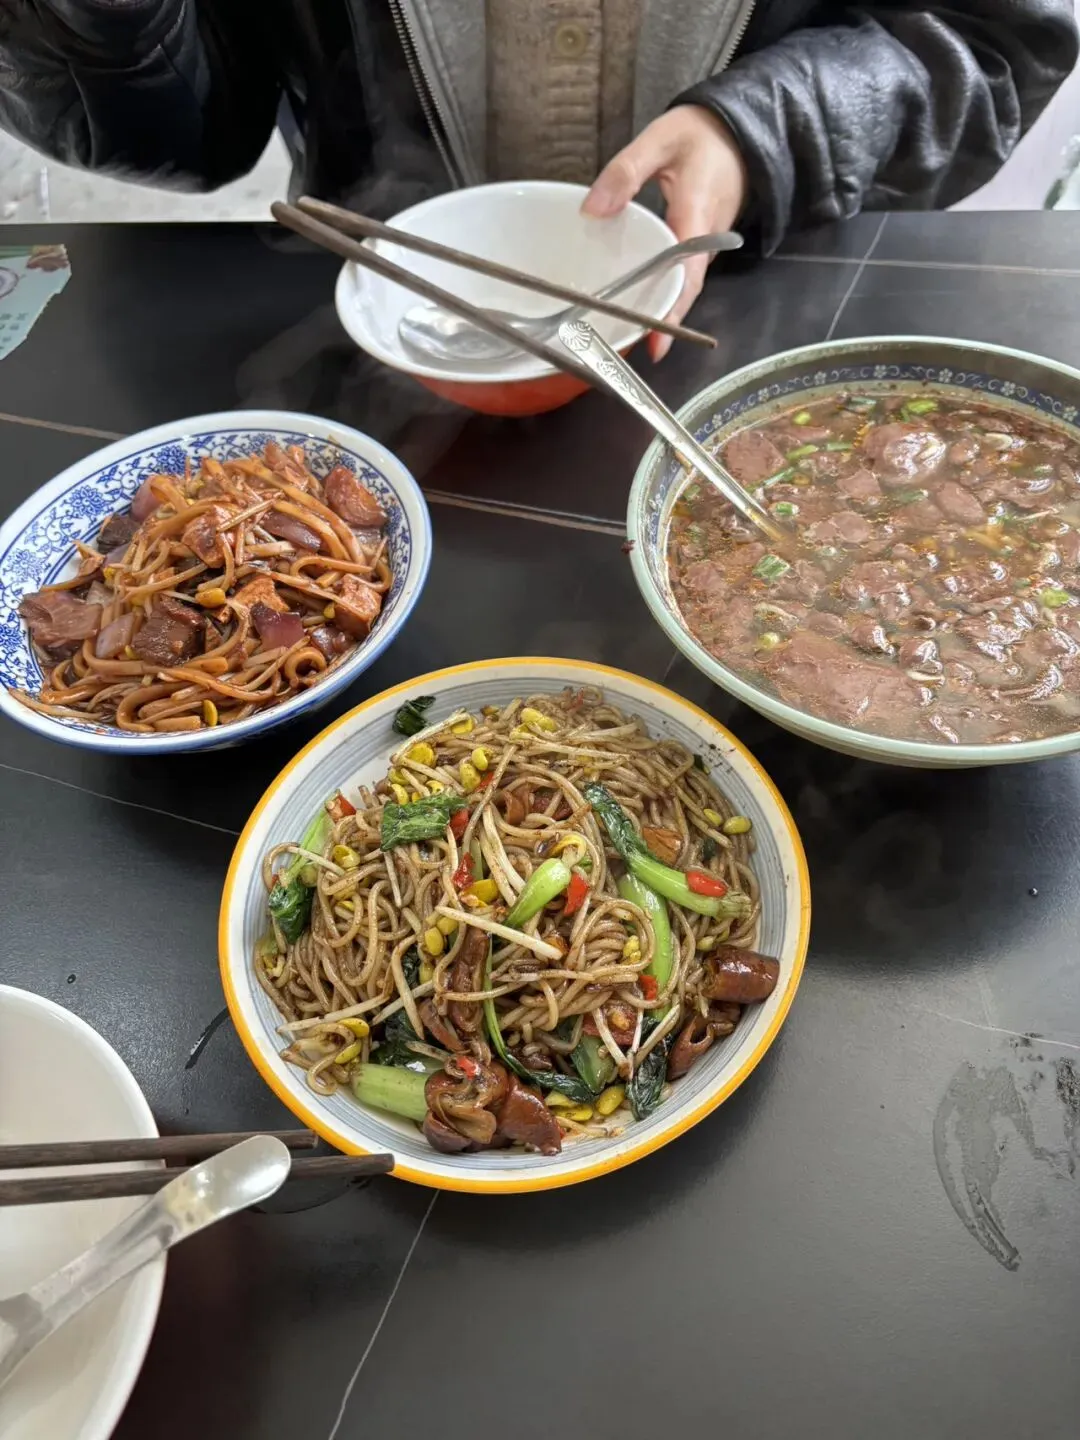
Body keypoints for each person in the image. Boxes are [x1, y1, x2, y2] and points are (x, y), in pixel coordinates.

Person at [1, 1, 1076, 357]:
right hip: (382, 320)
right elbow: (191, 133)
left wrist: (767, 130)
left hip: (762, 301)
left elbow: (993, 41)